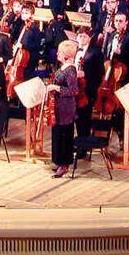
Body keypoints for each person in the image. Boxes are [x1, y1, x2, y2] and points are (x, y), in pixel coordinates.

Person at [46, 38, 79, 178]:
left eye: (60, 52)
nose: (57, 54)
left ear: (66, 54)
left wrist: (56, 87)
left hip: (66, 107)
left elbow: (73, 91)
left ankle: (64, 164)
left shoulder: (71, 70)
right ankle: (58, 161)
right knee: (58, 134)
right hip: (58, 106)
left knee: (65, 135)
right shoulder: (63, 67)